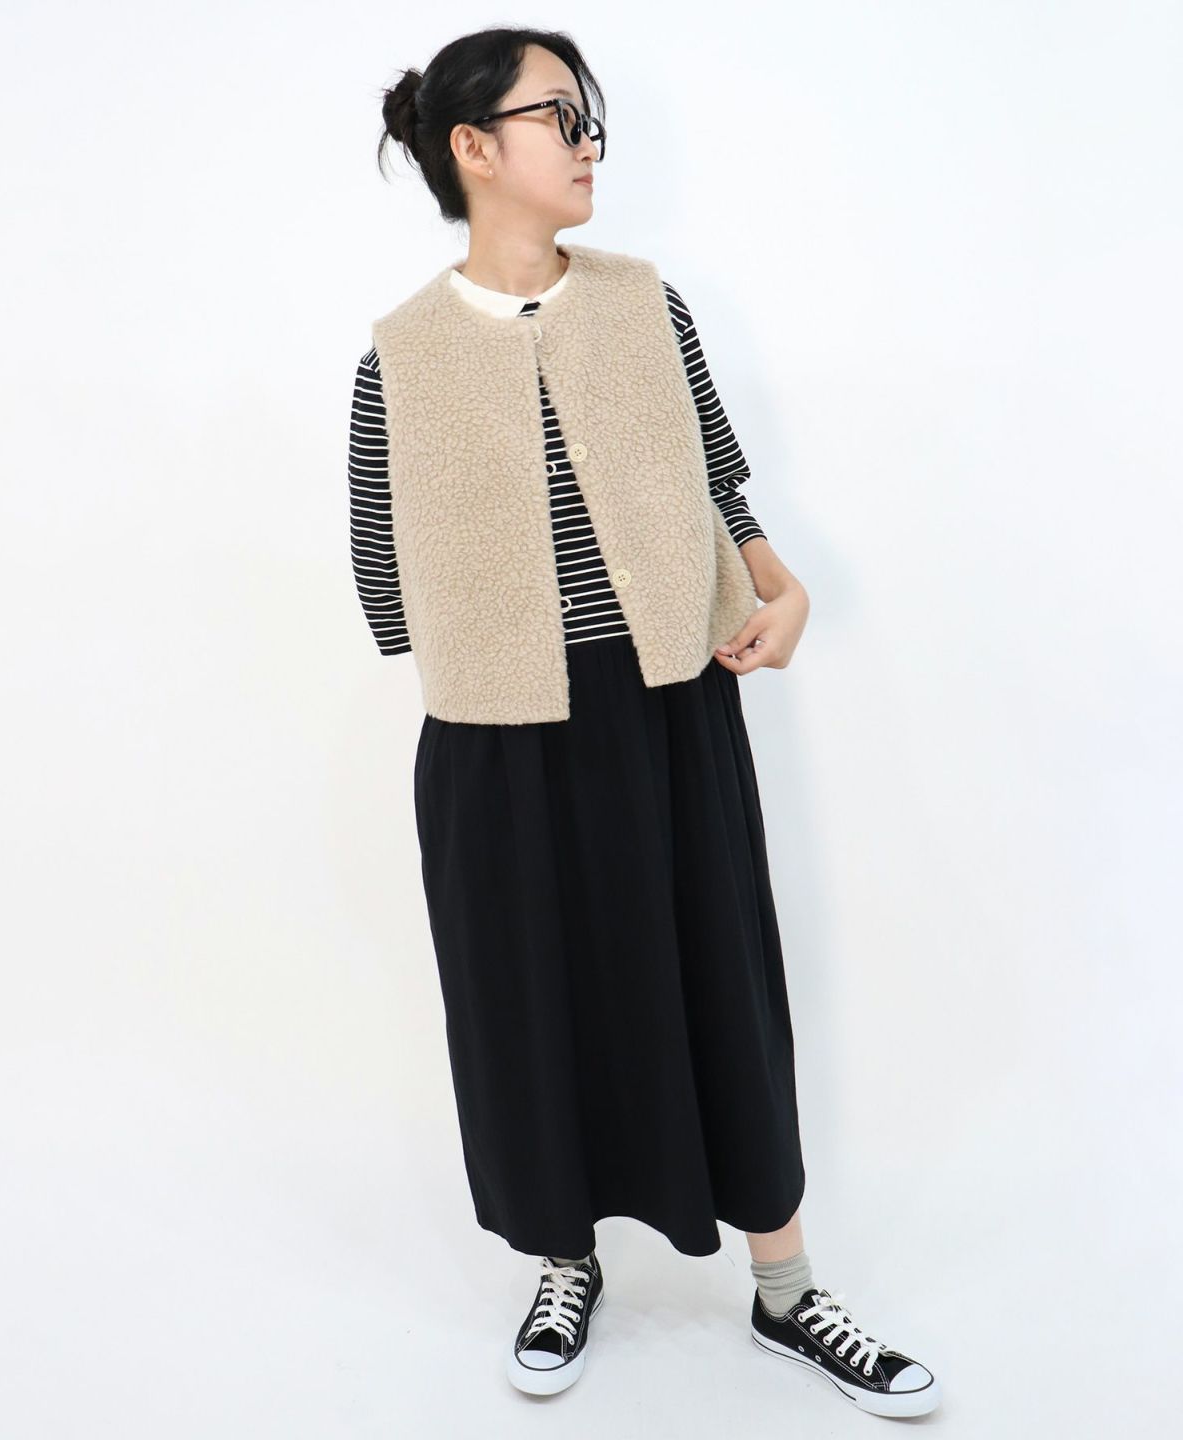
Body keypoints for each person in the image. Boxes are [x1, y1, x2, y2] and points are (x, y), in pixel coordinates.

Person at [348, 26, 940, 1417]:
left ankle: (788, 1289)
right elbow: (385, 579)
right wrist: (508, 627)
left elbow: (723, 482)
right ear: (472, 147)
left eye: (590, 115)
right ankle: (566, 1261)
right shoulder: (398, 357)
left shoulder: (644, 304)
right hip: (496, 734)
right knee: (529, 1003)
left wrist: (782, 592)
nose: (590, 142)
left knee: (720, 980)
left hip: (670, 707)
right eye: (560, 117)